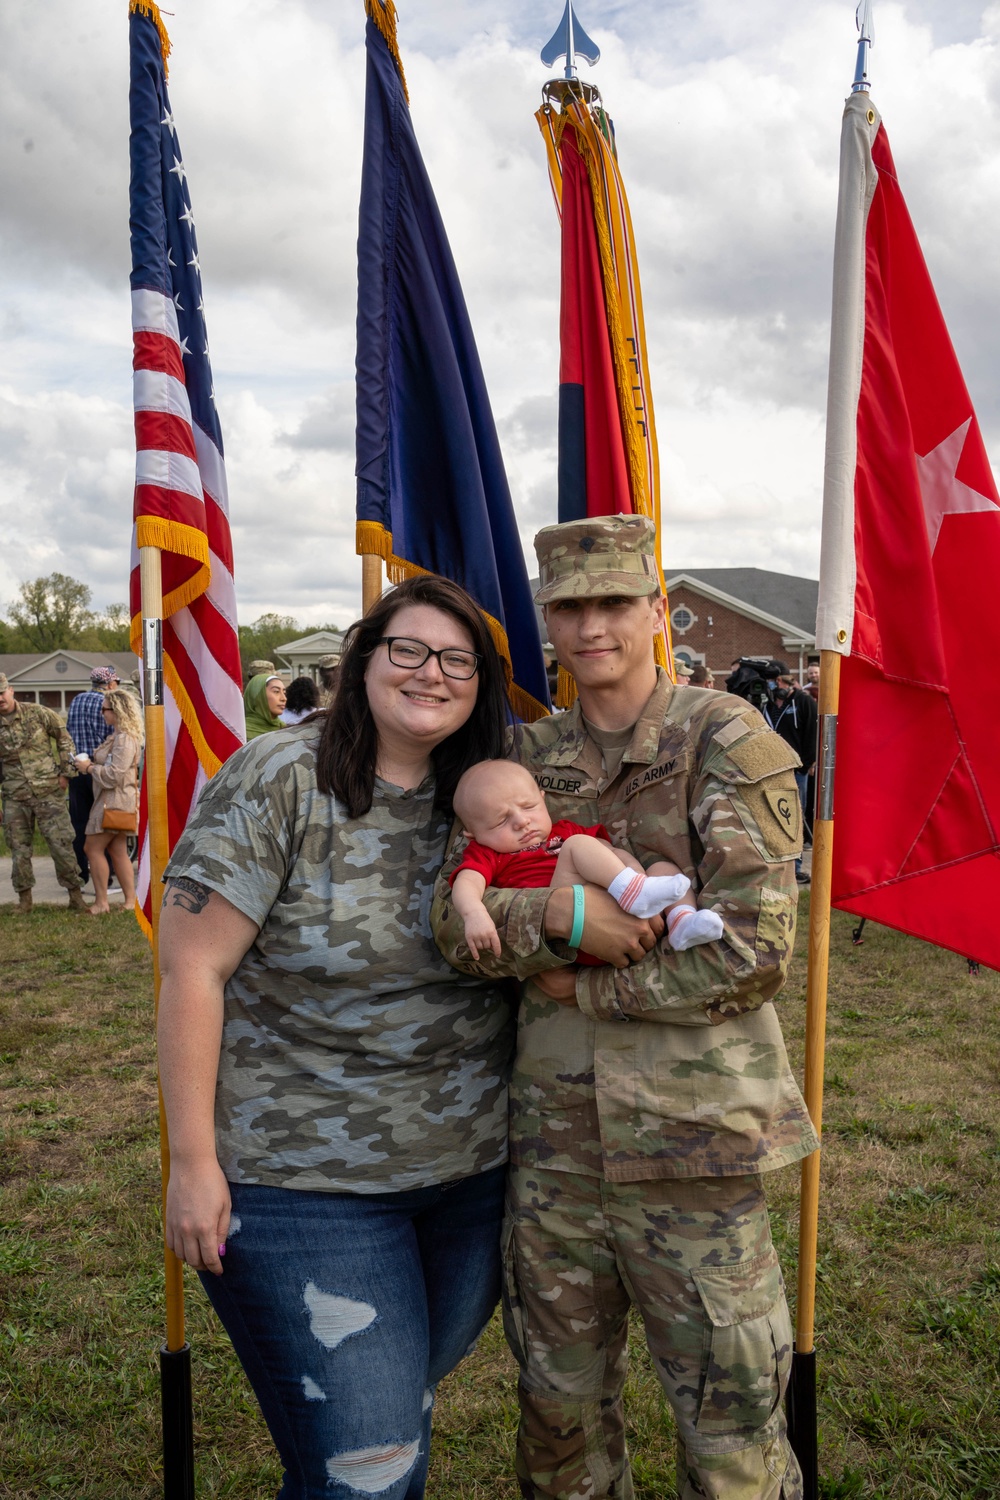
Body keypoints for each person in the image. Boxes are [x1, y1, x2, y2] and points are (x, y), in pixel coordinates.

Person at [433, 515, 817, 1500]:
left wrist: (583, 980)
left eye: (614, 601)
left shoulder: (725, 739)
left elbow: (753, 949)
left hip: (693, 1156)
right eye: (568, 606)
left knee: (729, 1430)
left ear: (657, 609)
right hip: (554, 1156)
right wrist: (566, 915)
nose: (591, 624)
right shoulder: (522, 757)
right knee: (560, 1426)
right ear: (547, 622)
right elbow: (449, 921)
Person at [156, 575, 514, 1500]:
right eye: (407, 649)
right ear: (362, 663)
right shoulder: (280, 777)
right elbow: (192, 969)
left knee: (373, 1435)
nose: (430, 672)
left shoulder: (489, 796)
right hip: (303, 1187)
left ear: (479, 683)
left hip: (473, 1179)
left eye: (456, 659)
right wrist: (194, 1164)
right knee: (372, 1467)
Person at [449, 759, 722, 959]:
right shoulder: (488, 854)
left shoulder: (564, 830)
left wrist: (638, 875)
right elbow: (467, 882)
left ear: (543, 800)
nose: (522, 822)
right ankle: (635, 891)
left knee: (663, 867)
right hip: (573, 930)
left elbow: (612, 852)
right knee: (578, 845)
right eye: (500, 821)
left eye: (529, 807)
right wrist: (474, 913)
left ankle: (681, 921)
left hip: (625, 912)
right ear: (473, 834)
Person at [0, 673, 88, 914]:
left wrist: (65, 774)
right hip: (14, 795)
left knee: (61, 845)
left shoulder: (38, 712)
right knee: (18, 849)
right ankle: (24, 901)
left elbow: (64, 740)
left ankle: (76, 896)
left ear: (11, 690)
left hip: (48, 792)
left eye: (2, 692)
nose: (0, 698)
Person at [75, 689, 143, 915]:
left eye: (105, 709)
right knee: (117, 850)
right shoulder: (119, 736)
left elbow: (114, 775)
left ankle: (102, 902)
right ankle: (129, 901)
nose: (102, 713)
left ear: (117, 710)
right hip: (116, 801)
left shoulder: (124, 739)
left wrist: (89, 768)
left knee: (92, 848)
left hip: (113, 802)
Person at [762, 664, 817, 885]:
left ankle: (795, 867)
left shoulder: (804, 702)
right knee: (771, 816)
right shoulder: (767, 704)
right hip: (771, 769)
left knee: (793, 817)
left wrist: (804, 765)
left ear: (788, 680)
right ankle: (775, 866)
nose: (777, 686)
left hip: (796, 771)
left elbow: (813, 733)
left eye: (780, 682)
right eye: (774, 682)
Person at [66, 665, 119, 887]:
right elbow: (112, 736)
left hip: (77, 769)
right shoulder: (107, 704)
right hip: (100, 771)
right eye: (115, 683)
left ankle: (81, 873)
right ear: (108, 684)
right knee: (102, 824)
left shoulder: (77, 700)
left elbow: (68, 731)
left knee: (79, 824)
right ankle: (104, 874)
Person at [243, 673, 286, 739]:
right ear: (258, 696)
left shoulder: (286, 730)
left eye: (284, 693)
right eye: (276, 691)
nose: (284, 698)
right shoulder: (239, 733)